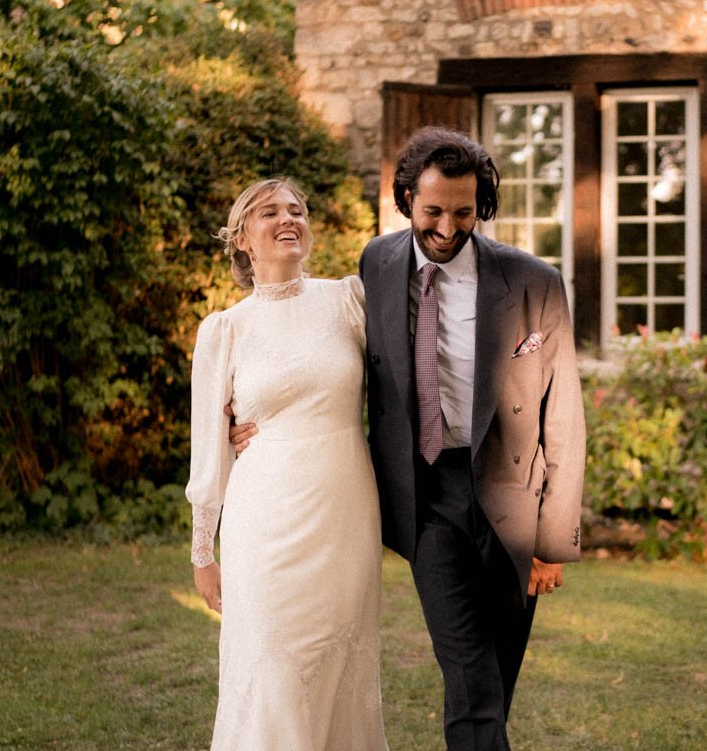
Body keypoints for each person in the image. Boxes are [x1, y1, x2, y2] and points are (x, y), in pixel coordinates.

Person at [233, 127, 586, 750]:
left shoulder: (533, 281)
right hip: (427, 500)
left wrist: (553, 539)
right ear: (405, 200)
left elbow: (563, 414)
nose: (447, 228)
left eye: (463, 213)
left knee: (495, 681)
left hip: (511, 500)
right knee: (469, 674)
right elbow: (315, 342)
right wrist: (250, 416)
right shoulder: (379, 263)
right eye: (433, 212)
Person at [186, 178, 388, 751]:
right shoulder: (226, 329)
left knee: (342, 664)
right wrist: (203, 552)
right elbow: (208, 447)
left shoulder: (348, 301)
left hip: (344, 514)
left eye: (296, 210)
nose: (287, 219)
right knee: (269, 665)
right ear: (242, 239)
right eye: (269, 212)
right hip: (264, 520)